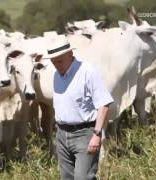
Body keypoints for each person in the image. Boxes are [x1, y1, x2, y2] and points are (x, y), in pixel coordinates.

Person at [43, 35, 114, 180]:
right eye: (53, 62)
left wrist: (96, 134)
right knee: (66, 178)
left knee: (83, 178)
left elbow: (104, 104)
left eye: (60, 61)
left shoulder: (87, 72)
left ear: (70, 54)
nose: (57, 65)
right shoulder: (56, 75)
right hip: (62, 134)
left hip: (85, 134)